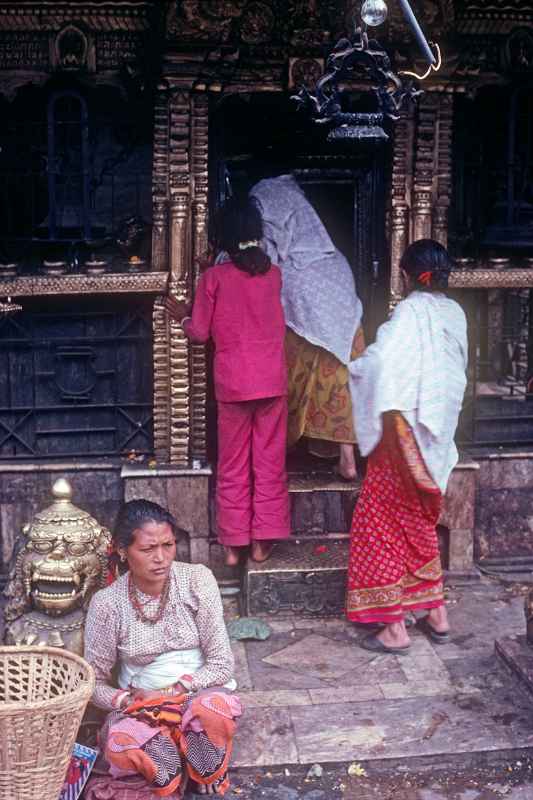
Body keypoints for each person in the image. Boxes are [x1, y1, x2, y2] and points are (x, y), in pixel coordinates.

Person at [345, 240, 468, 653]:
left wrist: (355, 367)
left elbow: (382, 364)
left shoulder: (410, 313)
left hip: (404, 431)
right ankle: (435, 611)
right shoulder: (455, 313)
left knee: (377, 519)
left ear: (406, 275)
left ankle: (394, 627)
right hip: (437, 438)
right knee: (418, 521)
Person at [83, 499, 242, 799]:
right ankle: (172, 764)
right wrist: (129, 700)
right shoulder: (107, 603)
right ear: (122, 551)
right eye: (147, 549)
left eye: (168, 545)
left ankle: (201, 765)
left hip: (196, 694)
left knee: (213, 711)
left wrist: (174, 692)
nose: (161, 558)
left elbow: (222, 664)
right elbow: (92, 683)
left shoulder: (197, 579)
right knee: (122, 740)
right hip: (141, 707)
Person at [163, 198, 290, 566]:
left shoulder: (213, 279)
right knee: (268, 462)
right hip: (271, 384)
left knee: (232, 463)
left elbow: (201, 332)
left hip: (233, 386)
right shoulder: (275, 275)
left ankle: (233, 545)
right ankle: (262, 543)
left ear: (223, 238)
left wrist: (185, 318)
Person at [250, 174, 365, 481]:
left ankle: (278, 456)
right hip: (345, 335)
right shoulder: (332, 257)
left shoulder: (284, 265)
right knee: (342, 383)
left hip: (304, 334)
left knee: (293, 381)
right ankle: (347, 457)